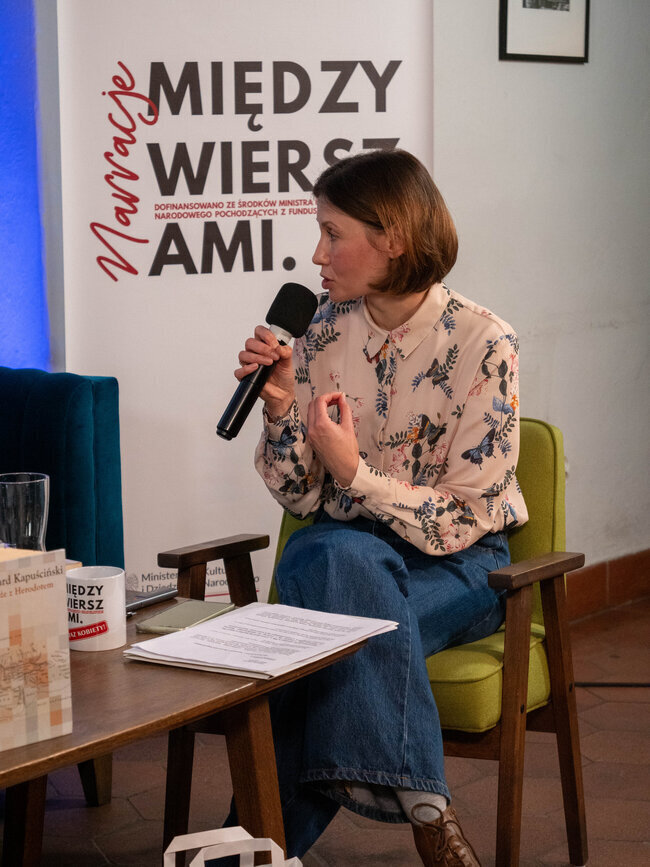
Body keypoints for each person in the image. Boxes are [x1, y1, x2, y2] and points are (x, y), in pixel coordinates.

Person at [233, 149, 528, 867]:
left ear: (392, 237)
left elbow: (463, 519)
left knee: (323, 638)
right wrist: (280, 408)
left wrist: (356, 474)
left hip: (456, 568)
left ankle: (246, 851)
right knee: (338, 552)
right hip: (339, 553)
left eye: (332, 233)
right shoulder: (319, 332)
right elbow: (301, 495)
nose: (317, 254)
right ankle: (427, 806)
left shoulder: (484, 342)